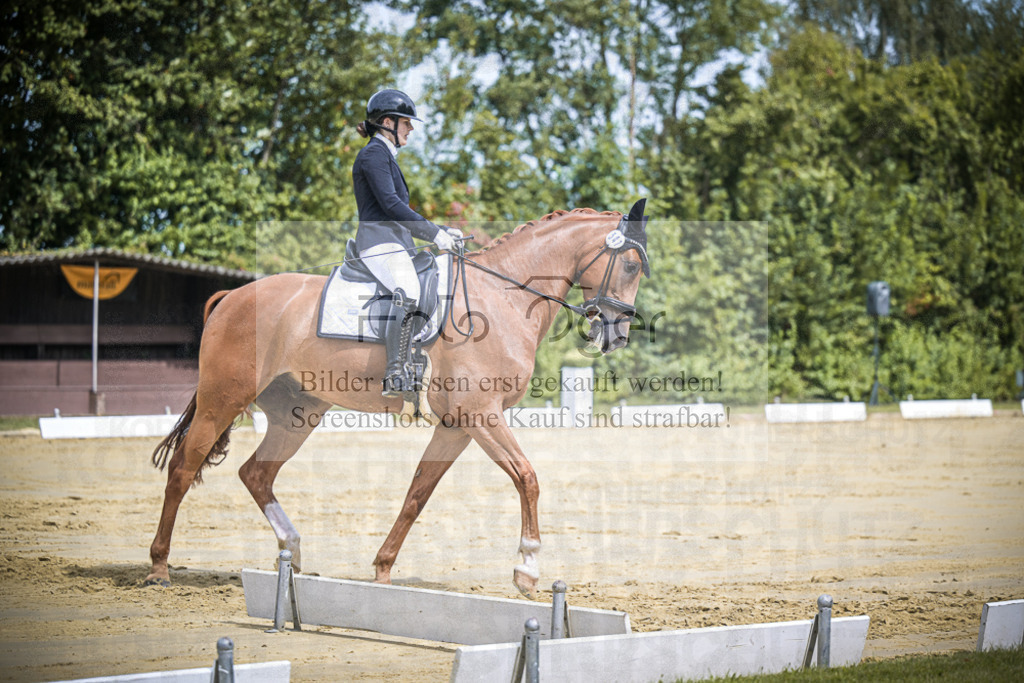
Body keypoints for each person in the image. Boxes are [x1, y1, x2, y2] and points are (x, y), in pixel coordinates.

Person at [352, 89, 461, 397]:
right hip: (378, 242)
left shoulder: (384, 155)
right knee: (409, 290)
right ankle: (395, 372)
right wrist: (435, 233)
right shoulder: (374, 154)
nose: (411, 129)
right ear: (388, 122)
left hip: (395, 242)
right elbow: (390, 205)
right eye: (406, 123)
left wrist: (439, 230)